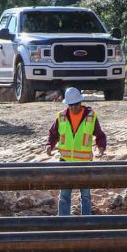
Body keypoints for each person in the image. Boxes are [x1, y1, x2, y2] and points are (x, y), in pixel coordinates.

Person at [44, 87, 108, 216]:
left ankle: (86, 221)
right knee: (65, 194)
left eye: (75, 104)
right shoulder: (61, 117)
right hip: (65, 161)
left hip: (85, 162)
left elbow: (100, 135)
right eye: (70, 105)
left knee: (85, 195)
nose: (73, 107)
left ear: (80, 102)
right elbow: (53, 134)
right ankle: (63, 221)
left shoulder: (90, 116)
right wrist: (49, 145)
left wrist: (101, 147)